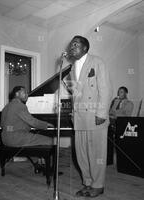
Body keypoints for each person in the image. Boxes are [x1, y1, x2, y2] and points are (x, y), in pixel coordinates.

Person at [64, 35, 112, 198]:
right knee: (82, 153)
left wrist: (101, 113)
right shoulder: (71, 69)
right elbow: (76, 94)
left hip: (95, 116)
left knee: (96, 153)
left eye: (76, 44)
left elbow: (105, 89)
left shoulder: (97, 62)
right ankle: (88, 182)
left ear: (85, 48)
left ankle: (98, 185)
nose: (72, 47)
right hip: (79, 117)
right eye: (71, 45)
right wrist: (73, 111)